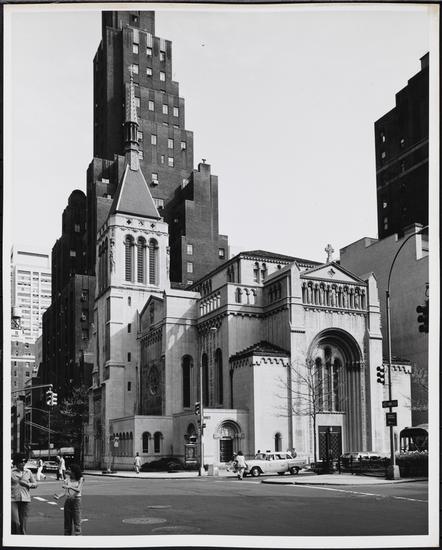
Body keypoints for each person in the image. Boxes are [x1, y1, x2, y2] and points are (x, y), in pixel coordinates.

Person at [11, 453, 38, 534]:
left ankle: (22, 537)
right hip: (12, 499)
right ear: (16, 462)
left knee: (23, 523)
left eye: (24, 461)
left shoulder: (28, 472)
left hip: (25, 499)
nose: (23, 463)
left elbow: (36, 484)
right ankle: (14, 537)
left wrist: (28, 484)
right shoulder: (10, 472)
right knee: (15, 522)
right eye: (21, 461)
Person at [62, 464, 84, 535]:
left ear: (74, 471)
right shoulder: (67, 479)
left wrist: (69, 487)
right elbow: (65, 492)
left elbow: (78, 490)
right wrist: (59, 496)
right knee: (67, 520)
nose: (68, 470)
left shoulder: (80, 479)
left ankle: (78, 535)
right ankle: (67, 536)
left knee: (77, 519)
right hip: (68, 499)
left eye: (69, 469)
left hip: (76, 500)